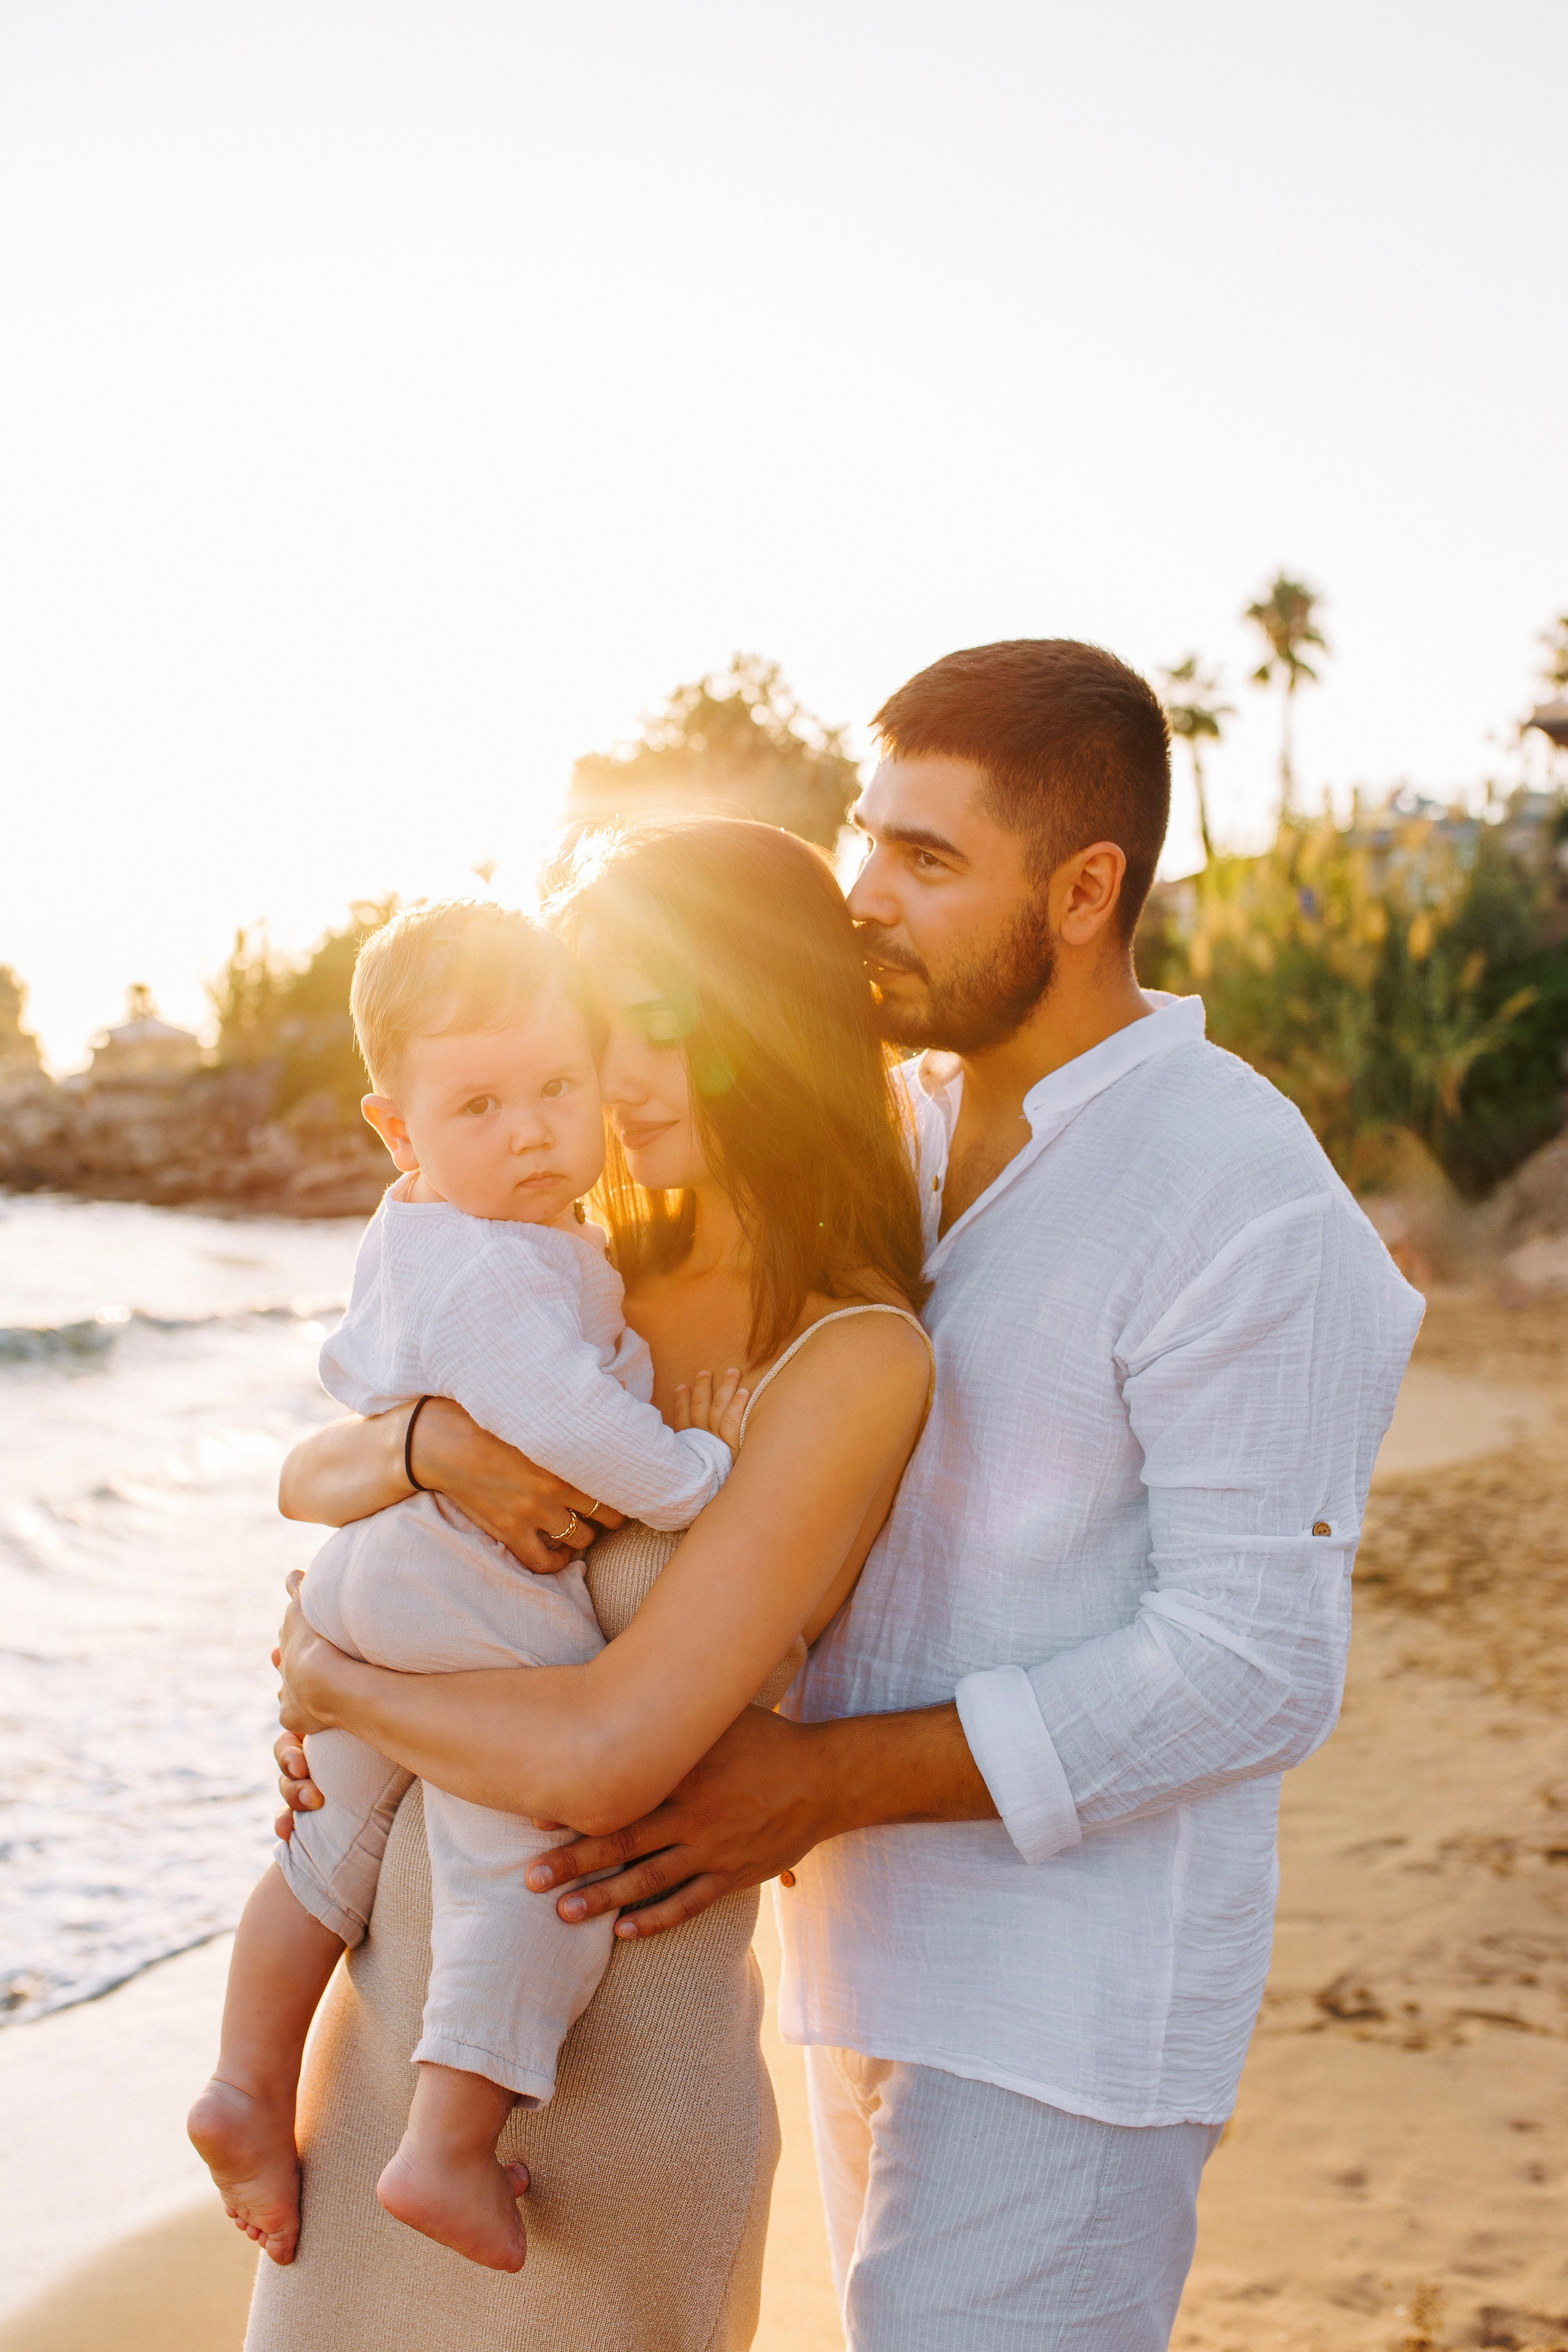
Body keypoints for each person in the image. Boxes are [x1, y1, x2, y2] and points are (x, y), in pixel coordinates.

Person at [279, 639, 1423, 2350]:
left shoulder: (1239, 1190)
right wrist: (415, 1467)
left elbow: (1259, 1661)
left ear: (1088, 889)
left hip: (1064, 1995)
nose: (868, 900)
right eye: (867, 840)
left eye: (929, 861)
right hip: (826, 1957)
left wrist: (819, 1779)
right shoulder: (903, 1134)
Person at [247, 818, 935, 2352]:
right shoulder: (575, 1268)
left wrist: (342, 1687)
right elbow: (308, 1476)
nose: (612, 1083)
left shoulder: (852, 1358)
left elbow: (611, 1753)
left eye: (659, 1026)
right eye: (590, 1033)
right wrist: (433, 1449)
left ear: (767, 1020)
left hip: (615, 2106)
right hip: (390, 2047)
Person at [190, 897, 752, 2275]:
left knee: (334, 1843)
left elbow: (340, 1457)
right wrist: (700, 1477)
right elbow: (576, 1427)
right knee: (531, 1849)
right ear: (398, 1133)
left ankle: (247, 2086)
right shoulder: (494, 1268)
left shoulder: (452, 1233)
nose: (530, 1130)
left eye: (557, 1090)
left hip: (379, 1575)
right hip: (453, 1580)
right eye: (481, 1105)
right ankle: (449, 2137)